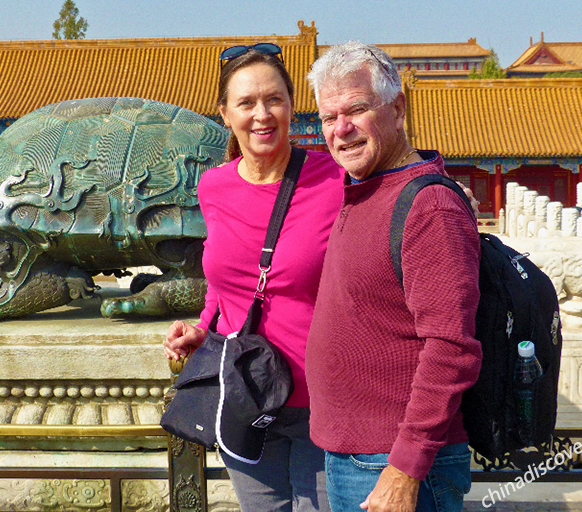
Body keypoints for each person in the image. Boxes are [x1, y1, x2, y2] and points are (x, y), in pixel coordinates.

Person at [163, 43, 343, 512]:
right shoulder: (213, 186)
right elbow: (225, 285)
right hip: (244, 394)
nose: (262, 115)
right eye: (246, 103)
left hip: (321, 400)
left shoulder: (335, 179)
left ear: (291, 106)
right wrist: (203, 329)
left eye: (274, 99)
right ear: (224, 114)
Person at [304, 41, 483, 512]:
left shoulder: (429, 207)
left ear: (398, 108)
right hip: (356, 451)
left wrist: (404, 468)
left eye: (356, 110)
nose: (340, 129)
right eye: (327, 117)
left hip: (393, 462)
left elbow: (451, 348)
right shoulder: (365, 189)